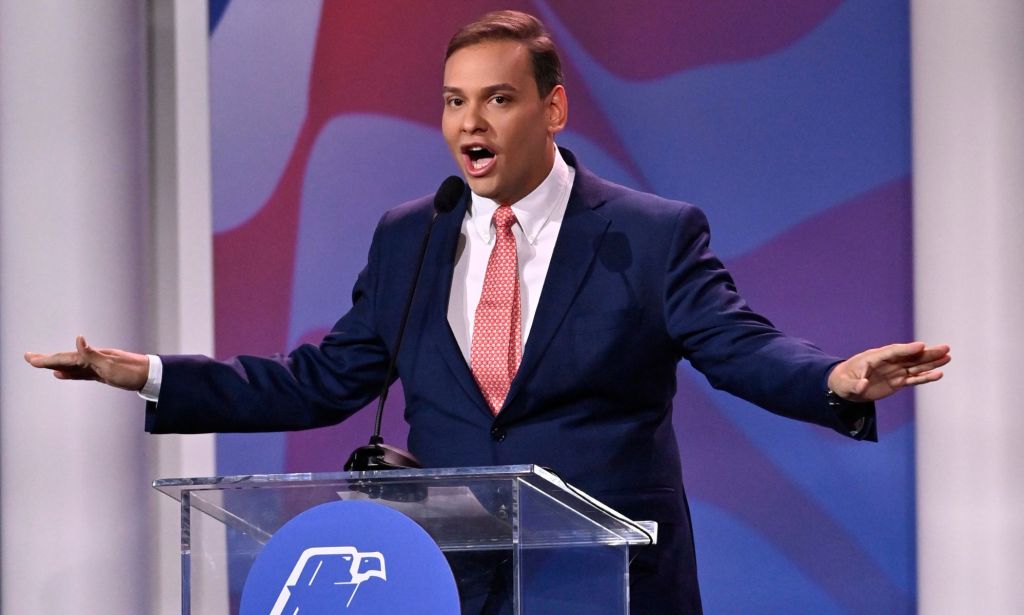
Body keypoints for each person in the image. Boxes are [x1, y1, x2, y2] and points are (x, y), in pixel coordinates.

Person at [26, 10, 950, 614]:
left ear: (551, 109)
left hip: (612, 584)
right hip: (455, 583)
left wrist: (831, 378)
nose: (471, 123)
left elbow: (735, 344)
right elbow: (321, 381)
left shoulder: (648, 233)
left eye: (498, 100)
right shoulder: (411, 236)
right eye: (454, 102)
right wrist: (144, 374)